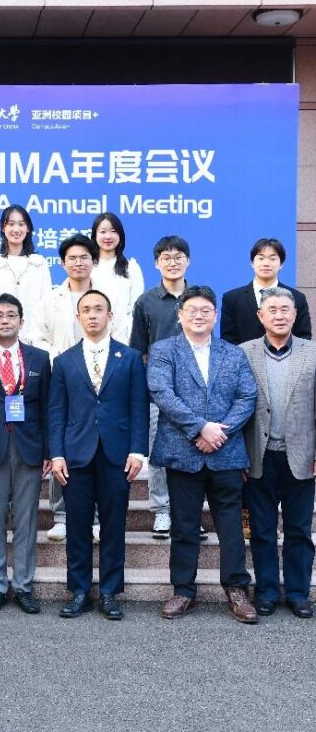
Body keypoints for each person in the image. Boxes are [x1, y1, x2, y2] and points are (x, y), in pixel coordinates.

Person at [147, 286, 258, 624]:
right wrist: (199, 428)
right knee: (184, 526)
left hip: (226, 452)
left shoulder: (233, 353)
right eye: (192, 310)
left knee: (231, 526)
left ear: (215, 315)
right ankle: (183, 590)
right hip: (183, 452)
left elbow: (247, 396)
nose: (199, 315)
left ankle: (236, 590)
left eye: (206, 310)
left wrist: (220, 432)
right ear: (180, 315)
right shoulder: (164, 350)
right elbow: (162, 393)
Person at [50, 290, 149, 621]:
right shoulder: (64, 361)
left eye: (98, 309)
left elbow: (138, 407)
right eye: (86, 310)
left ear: (110, 316)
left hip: (117, 454)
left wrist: (137, 450)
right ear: (78, 317)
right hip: (76, 454)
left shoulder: (130, 358)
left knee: (113, 525)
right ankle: (79, 591)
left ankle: (109, 592)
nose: (92, 315)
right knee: (77, 525)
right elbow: (57, 411)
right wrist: (57, 454)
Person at [0, 293, 51, 614]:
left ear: (21, 320)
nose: (5, 320)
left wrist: (49, 451)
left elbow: (48, 407)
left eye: (11, 315)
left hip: (30, 448)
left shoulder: (39, 358)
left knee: (27, 520)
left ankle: (24, 586)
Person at [240, 287, 316, 618]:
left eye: (286, 309)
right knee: (262, 529)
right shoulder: (243, 353)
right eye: (272, 310)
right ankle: (267, 592)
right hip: (259, 455)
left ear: (295, 314)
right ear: (261, 316)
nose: (280, 315)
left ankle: (298, 594)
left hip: (302, 455)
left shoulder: (312, 353)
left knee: (299, 529)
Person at [36, 233, 104, 543]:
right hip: (61, 377)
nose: (78, 263)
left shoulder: (105, 296)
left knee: (99, 444)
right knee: (60, 442)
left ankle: (97, 517)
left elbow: (119, 333)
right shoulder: (50, 299)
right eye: (71, 258)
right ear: (62, 264)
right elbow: (36, 337)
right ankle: (62, 515)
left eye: (84, 257)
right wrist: (62, 360)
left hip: (101, 379)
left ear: (94, 261)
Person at [130, 235, 192, 541]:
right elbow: (138, 349)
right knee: (158, 451)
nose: (172, 262)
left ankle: (187, 513)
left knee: (192, 452)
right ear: (156, 263)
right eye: (166, 258)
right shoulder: (146, 302)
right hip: (157, 390)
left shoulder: (198, 297)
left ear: (188, 261)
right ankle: (162, 510)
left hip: (194, 389)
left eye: (178, 256)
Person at [0, 204, 52, 348]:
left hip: (35, 340)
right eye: (11, 224)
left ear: (28, 228)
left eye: (21, 224)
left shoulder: (39, 263)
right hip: (1, 339)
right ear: (3, 228)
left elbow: (47, 303)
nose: (16, 229)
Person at [221, 238, 311, 345]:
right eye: (261, 258)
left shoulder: (297, 298)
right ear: (252, 263)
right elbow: (228, 340)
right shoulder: (232, 298)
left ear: (281, 264)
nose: (266, 263)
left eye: (272, 259)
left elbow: (303, 337)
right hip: (243, 355)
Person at [89, 212, 145, 344]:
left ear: (120, 236)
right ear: (95, 235)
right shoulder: (88, 266)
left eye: (113, 231)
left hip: (123, 338)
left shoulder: (131, 267)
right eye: (103, 232)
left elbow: (136, 306)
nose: (108, 236)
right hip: (92, 335)